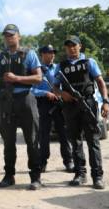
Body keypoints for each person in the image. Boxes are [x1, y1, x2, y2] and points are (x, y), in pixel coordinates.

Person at [0, 24, 43, 190]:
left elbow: (39, 78)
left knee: (32, 140)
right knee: (8, 142)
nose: (9, 38)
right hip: (6, 101)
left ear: (19, 36)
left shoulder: (29, 54)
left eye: (12, 35)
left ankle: (35, 177)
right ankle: (9, 175)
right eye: (6, 35)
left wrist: (17, 78)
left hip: (25, 99)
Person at [54, 35, 109, 189]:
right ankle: (80, 174)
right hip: (70, 106)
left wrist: (105, 102)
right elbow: (54, 87)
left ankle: (97, 177)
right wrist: (61, 94)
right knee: (75, 141)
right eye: (68, 46)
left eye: (74, 45)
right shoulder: (61, 66)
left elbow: (100, 82)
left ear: (80, 46)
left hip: (88, 103)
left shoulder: (89, 62)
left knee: (93, 141)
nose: (71, 48)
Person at [31, 45, 74, 173]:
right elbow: (32, 90)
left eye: (53, 52)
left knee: (64, 134)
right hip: (44, 104)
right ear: (42, 54)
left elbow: (65, 85)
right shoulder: (36, 70)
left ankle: (68, 161)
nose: (52, 55)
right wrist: (45, 93)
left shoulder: (58, 68)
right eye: (49, 52)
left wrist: (61, 94)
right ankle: (42, 162)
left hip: (59, 104)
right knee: (43, 135)